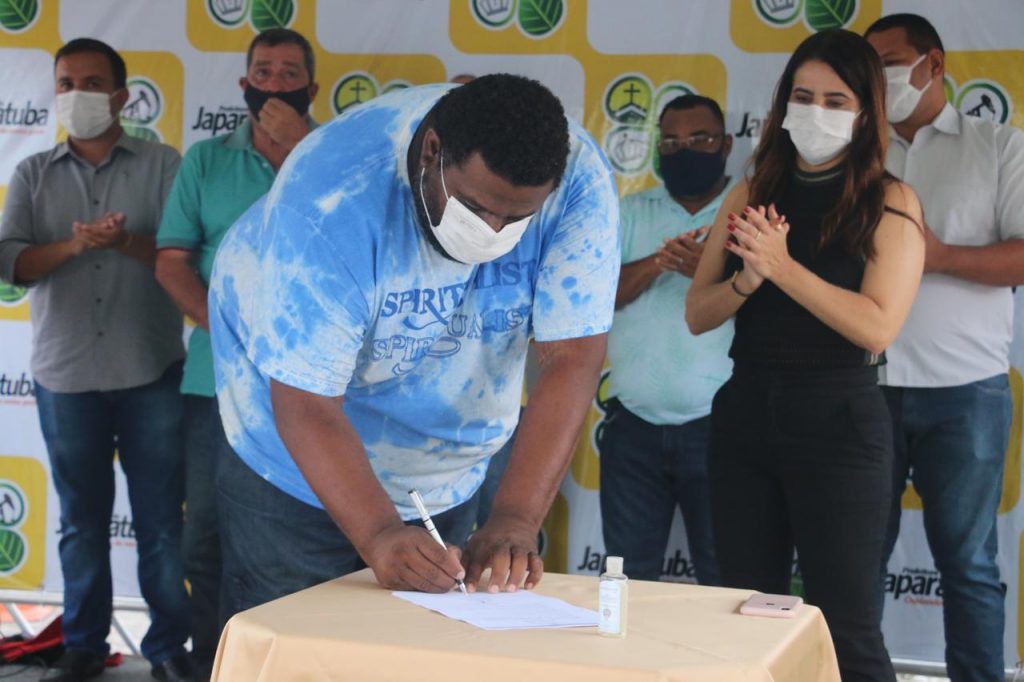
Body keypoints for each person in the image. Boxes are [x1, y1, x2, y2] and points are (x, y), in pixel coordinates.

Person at [208, 74, 619, 619]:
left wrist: (516, 518)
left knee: (422, 639)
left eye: (517, 219)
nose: (493, 232)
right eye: (475, 208)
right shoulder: (329, 199)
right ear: (432, 151)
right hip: (295, 467)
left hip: (445, 470)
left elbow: (572, 358)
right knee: (296, 639)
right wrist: (379, 534)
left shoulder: (578, 181)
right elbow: (306, 403)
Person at [686, 30, 924, 681]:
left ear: (866, 112)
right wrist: (747, 280)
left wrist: (782, 267)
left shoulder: (891, 201)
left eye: (835, 101)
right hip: (745, 414)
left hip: (839, 419)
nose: (816, 112)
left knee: (845, 627)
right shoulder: (749, 192)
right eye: (803, 96)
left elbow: (876, 328)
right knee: (744, 614)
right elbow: (698, 313)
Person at [0, 39, 193, 682]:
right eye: (65, 83)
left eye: (90, 83)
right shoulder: (32, 172)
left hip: (151, 371)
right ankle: (83, 644)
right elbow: (12, 263)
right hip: (66, 377)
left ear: (120, 96)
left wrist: (124, 240)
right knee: (80, 523)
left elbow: (180, 253)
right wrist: (76, 247)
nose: (75, 94)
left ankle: (167, 648)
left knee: (161, 524)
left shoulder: (164, 164)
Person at [153, 28, 318, 679]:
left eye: (289, 73)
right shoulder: (206, 160)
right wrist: (226, 333)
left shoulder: (337, 153)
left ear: (312, 87)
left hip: (321, 388)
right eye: (264, 71)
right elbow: (171, 262)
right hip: (216, 383)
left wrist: (302, 149)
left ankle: (294, 665)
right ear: (244, 84)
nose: (275, 83)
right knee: (205, 538)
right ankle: (213, 664)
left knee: (309, 538)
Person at [864, 14, 1024, 681]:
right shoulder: (856, 153)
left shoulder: (998, 145)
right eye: (870, 66)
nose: (881, 78)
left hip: (966, 391)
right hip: (864, 385)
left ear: (934, 63)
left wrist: (937, 256)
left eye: (891, 62)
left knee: (967, 563)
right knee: (854, 559)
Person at [598, 94, 734, 585]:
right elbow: (599, 296)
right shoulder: (631, 211)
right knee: (627, 580)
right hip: (633, 428)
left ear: (726, 145)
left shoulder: (747, 211)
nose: (685, 151)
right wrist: (662, 261)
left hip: (721, 427)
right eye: (672, 143)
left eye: (700, 139)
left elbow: (772, 305)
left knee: (725, 578)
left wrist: (709, 272)